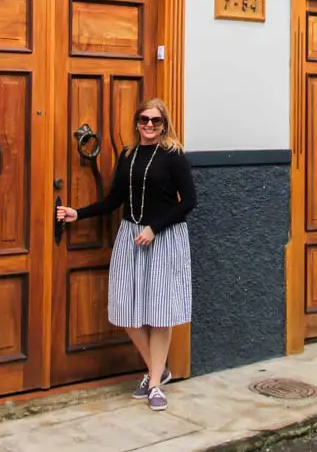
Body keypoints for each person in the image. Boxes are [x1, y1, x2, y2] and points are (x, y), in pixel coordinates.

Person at [56, 97, 196, 412]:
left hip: (162, 238)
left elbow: (188, 202)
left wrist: (154, 228)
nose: (149, 125)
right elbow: (114, 199)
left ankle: (155, 385)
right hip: (131, 237)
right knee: (125, 308)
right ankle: (157, 370)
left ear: (164, 124)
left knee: (159, 312)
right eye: (144, 120)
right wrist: (78, 213)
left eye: (155, 121)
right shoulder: (129, 155)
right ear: (136, 123)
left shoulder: (173, 155)